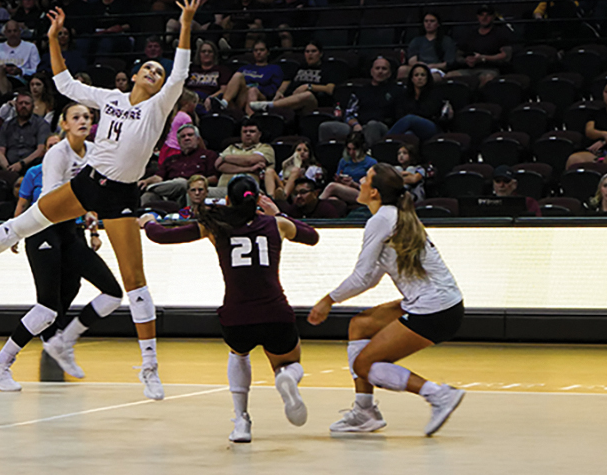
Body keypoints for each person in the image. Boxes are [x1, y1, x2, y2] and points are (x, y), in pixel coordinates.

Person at [0, 0, 202, 402]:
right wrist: (53, 38)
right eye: (147, 67)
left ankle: (149, 367)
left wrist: (185, 24)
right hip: (90, 184)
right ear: (132, 76)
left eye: (157, 70)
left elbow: (180, 72)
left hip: (122, 197)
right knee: (25, 223)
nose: (153, 71)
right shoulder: (110, 99)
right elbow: (65, 84)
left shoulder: (159, 106)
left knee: (133, 285)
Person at [141, 177, 320, 442]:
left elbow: (162, 236)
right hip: (275, 312)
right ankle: (286, 378)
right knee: (290, 362)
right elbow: (312, 237)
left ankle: (242, 421)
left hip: (237, 316)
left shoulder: (215, 225)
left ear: (228, 200)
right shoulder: (276, 224)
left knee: (238, 355)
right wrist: (278, 213)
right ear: (258, 199)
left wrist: (148, 222)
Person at [308, 163, 466, 436]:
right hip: (442, 304)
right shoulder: (392, 216)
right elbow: (370, 277)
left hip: (435, 310)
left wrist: (328, 300)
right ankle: (364, 412)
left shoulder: (380, 220)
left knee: (364, 365)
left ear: (375, 193)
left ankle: (437, 394)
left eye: (366, 179)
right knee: (360, 325)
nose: (361, 182)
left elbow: (362, 277)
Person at [0, 103, 125, 390]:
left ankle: (62, 341)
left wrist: (94, 222)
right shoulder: (56, 155)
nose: (83, 120)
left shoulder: (94, 152)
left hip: (70, 230)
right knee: (47, 308)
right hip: (44, 227)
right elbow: (53, 200)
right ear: (64, 123)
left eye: (87, 117)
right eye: (76, 117)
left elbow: (95, 196)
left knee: (112, 292)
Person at [319, 55, 398, 146]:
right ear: (371, 71)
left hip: (381, 127)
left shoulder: (395, 91)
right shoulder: (361, 91)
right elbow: (349, 113)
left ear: (389, 73)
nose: (380, 71)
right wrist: (355, 124)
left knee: (372, 125)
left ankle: (369, 156)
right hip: (358, 126)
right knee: (325, 127)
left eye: (384, 69)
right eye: (377, 68)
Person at [139, 123, 220, 207]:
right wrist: (146, 181)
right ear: (179, 142)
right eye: (183, 136)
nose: (187, 138)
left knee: (183, 183)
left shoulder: (209, 155)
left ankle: (149, 188)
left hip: (191, 188)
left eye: (190, 135)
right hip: (171, 191)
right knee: (148, 196)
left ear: (198, 139)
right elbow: (159, 177)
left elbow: (214, 178)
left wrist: (194, 183)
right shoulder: (171, 159)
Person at [251, 41, 338, 116]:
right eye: (307, 51)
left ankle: (270, 106)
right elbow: (286, 82)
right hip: (291, 98)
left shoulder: (327, 69)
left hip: (313, 101)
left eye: (313, 51)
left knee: (307, 95)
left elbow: (330, 89)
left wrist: (308, 86)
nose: (310, 54)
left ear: (320, 53)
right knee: (253, 90)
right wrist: (279, 93)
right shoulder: (298, 67)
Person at [210, 40, 283, 116]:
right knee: (238, 75)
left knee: (252, 91)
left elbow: (273, 89)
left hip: (261, 96)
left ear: (267, 52)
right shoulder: (245, 68)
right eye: (256, 50)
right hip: (241, 97)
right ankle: (224, 103)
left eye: (262, 50)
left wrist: (256, 88)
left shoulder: (274, 68)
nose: (258, 52)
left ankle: (250, 117)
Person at [446, 4, 513, 87]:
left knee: (487, 79)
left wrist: (483, 58)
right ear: (477, 16)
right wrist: (466, 60)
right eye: (481, 15)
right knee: (449, 76)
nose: (484, 18)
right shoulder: (470, 34)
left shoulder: (501, 33)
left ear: (493, 17)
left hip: (490, 69)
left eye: (487, 15)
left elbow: (506, 56)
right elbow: (458, 55)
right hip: (469, 68)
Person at [215, 119, 277, 197]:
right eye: (245, 132)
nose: (248, 134)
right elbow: (220, 166)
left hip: (248, 191)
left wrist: (225, 158)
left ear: (259, 134)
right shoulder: (231, 147)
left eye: (252, 131)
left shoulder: (265, 148)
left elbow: (251, 160)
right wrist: (249, 169)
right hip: (223, 190)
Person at [388, 63, 443, 139]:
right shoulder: (404, 95)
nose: (419, 78)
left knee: (410, 118)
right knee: (408, 134)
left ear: (427, 78)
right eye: (416, 75)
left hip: (430, 127)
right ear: (412, 78)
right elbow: (399, 114)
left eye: (423, 75)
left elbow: (429, 113)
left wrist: (412, 114)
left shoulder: (434, 94)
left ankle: (384, 142)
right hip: (410, 127)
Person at [320, 132, 377, 205]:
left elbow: (373, 187)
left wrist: (354, 184)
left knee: (332, 186)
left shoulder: (371, 162)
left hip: (362, 192)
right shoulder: (344, 161)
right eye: (349, 149)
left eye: (354, 149)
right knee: (332, 200)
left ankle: (315, 206)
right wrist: (339, 180)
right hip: (345, 190)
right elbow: (338, 176)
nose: (351, 152)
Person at [402, 10, 457, 79]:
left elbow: (448, 63)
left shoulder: (447, 41)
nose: (428, 23)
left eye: (432, 21)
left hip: (436, 70)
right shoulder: (416, 40)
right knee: (403, 70)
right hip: (418, 68)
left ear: (438, 24)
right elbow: (412, 60)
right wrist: (420, 65)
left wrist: (432, 66)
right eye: (426, 21)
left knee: (434, 77)